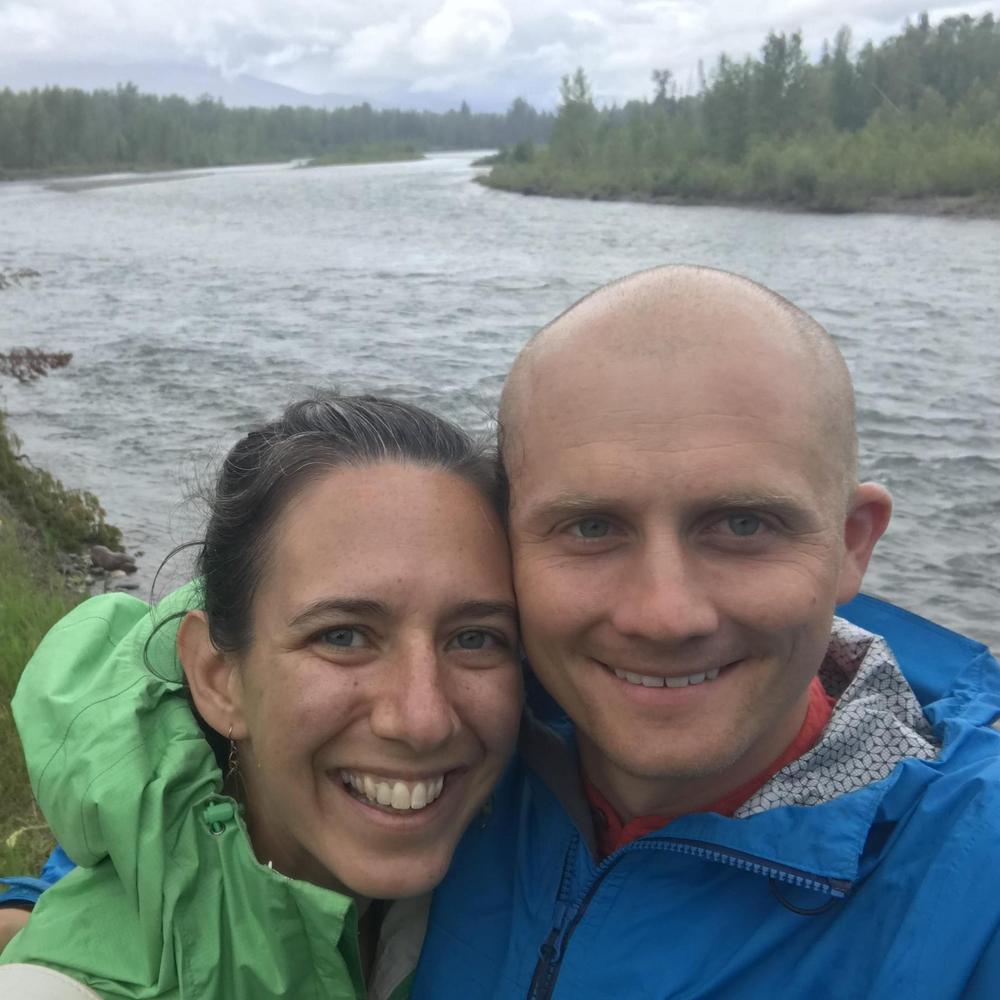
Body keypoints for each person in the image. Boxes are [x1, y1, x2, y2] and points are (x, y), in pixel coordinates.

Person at [410, 265, 1000, 998]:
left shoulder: (974, 890)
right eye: (591, 528)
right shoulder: (433, 761)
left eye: (742, 525)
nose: (665, 615)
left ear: (852, 543)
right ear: (506, 544)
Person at [0, 393, 522, 998]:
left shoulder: (541, 827)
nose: (423, 719)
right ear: (218, 679)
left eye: (475, 638)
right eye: (343, 636)